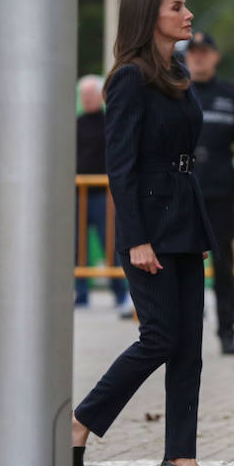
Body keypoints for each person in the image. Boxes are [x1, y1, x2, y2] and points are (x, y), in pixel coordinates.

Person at [71, 0, 234, 466]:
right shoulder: (128, 79)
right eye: (177, 6)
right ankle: (78, 426)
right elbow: (122, 166)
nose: (188, 15)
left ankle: (181, 459)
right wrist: (136, 238)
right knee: (160, 336)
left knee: (189, 345)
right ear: (151, 16)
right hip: (151, 227)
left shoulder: (177, 72)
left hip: (186, 219)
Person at [185, 31, 234, 356]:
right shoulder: (176, 90)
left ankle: (227, 333)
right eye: (193, 52)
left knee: (224, 267)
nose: (198, 58)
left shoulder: (231, 96)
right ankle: (186, 334)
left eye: (204, 52)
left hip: (219, 193)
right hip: (183, 193)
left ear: (215, 56)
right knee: (183, 268)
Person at [75, 74, 131, 315]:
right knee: (76, 249)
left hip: (104, 195)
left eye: (90, 94)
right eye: (83, 95)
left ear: (100, 96)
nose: (86, 99)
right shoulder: (74, 124)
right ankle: (81, 295)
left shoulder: (112, 122)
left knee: (111, 246)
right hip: (77, 195)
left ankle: (121, 294)